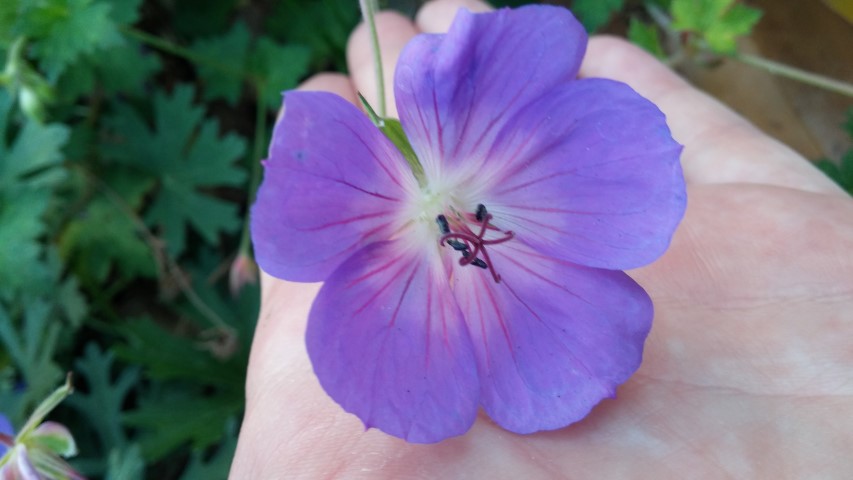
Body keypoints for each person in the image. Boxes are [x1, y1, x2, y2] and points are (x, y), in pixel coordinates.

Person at [229, 0, 853, 477]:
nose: (471, 238)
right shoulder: (348, 184)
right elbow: (380, 369)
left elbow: (628, 166)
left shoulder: (487, 195)